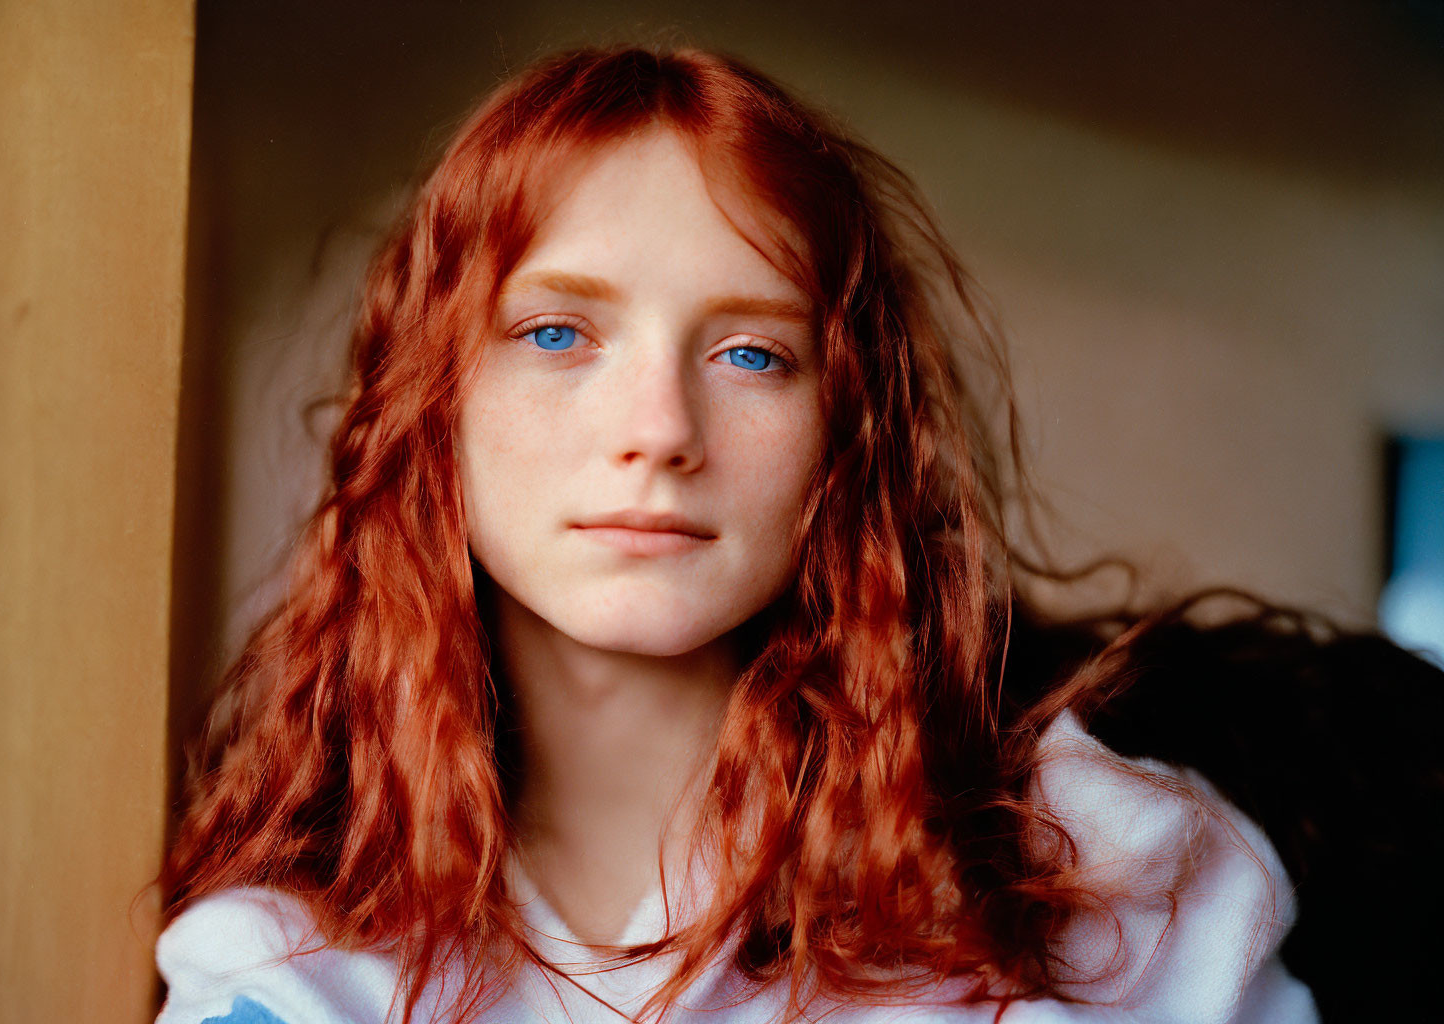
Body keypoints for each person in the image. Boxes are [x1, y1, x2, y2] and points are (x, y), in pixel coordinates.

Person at [153, 45, 1324, 1023]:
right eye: (558, 333)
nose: (660, 430)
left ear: (844, 434)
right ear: (432, 406)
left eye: (752, 354)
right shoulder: (288, 972)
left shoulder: (1116, 881)